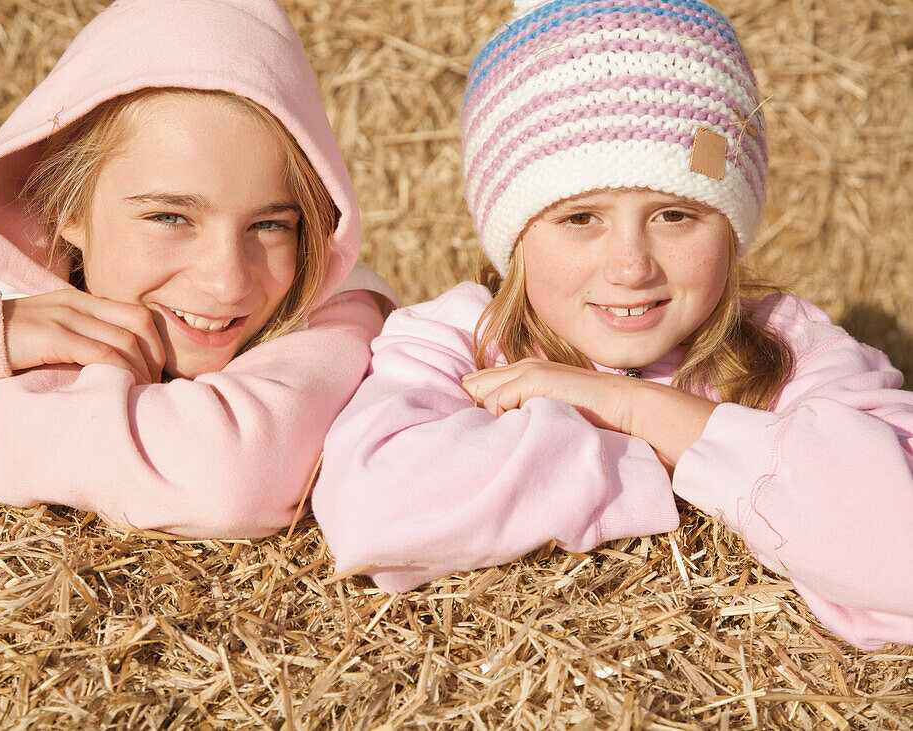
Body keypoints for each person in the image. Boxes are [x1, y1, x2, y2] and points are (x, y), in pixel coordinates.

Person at [312, 0, 913, 651]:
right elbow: (372, 506)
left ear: (733, 225)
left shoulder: (790, 346)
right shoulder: (457, 339)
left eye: (675, 215)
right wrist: (685, 462)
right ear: (513, 237)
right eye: (581, 219)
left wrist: (631, 407)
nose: (630, 266)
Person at [0, 0, 395, 538]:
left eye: (270, 225)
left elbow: (230, 478)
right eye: (170, 217)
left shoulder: (332, 311)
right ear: (64, 208)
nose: (228, 281)